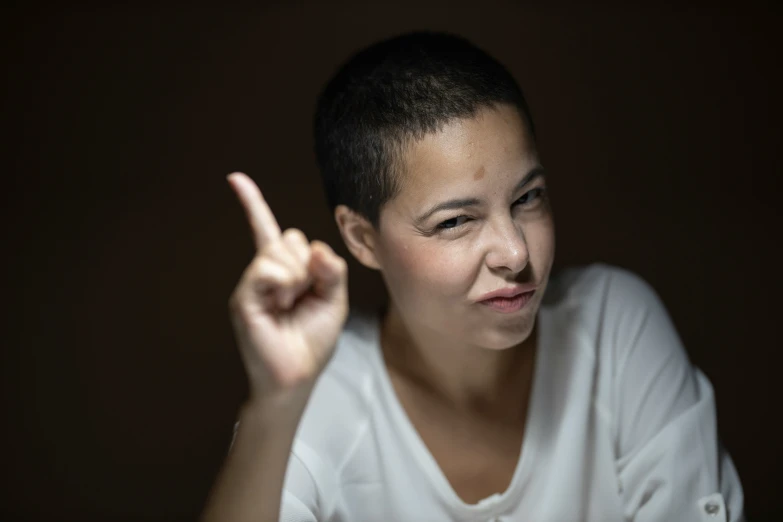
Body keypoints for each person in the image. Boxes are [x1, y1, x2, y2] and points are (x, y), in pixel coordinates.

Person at [201, 31, 744, 522]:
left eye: (528, 198)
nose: (515, 252)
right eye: (455, 221)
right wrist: (276, 405)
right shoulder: (320, 401)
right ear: (363, 239)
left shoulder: (612, 329)